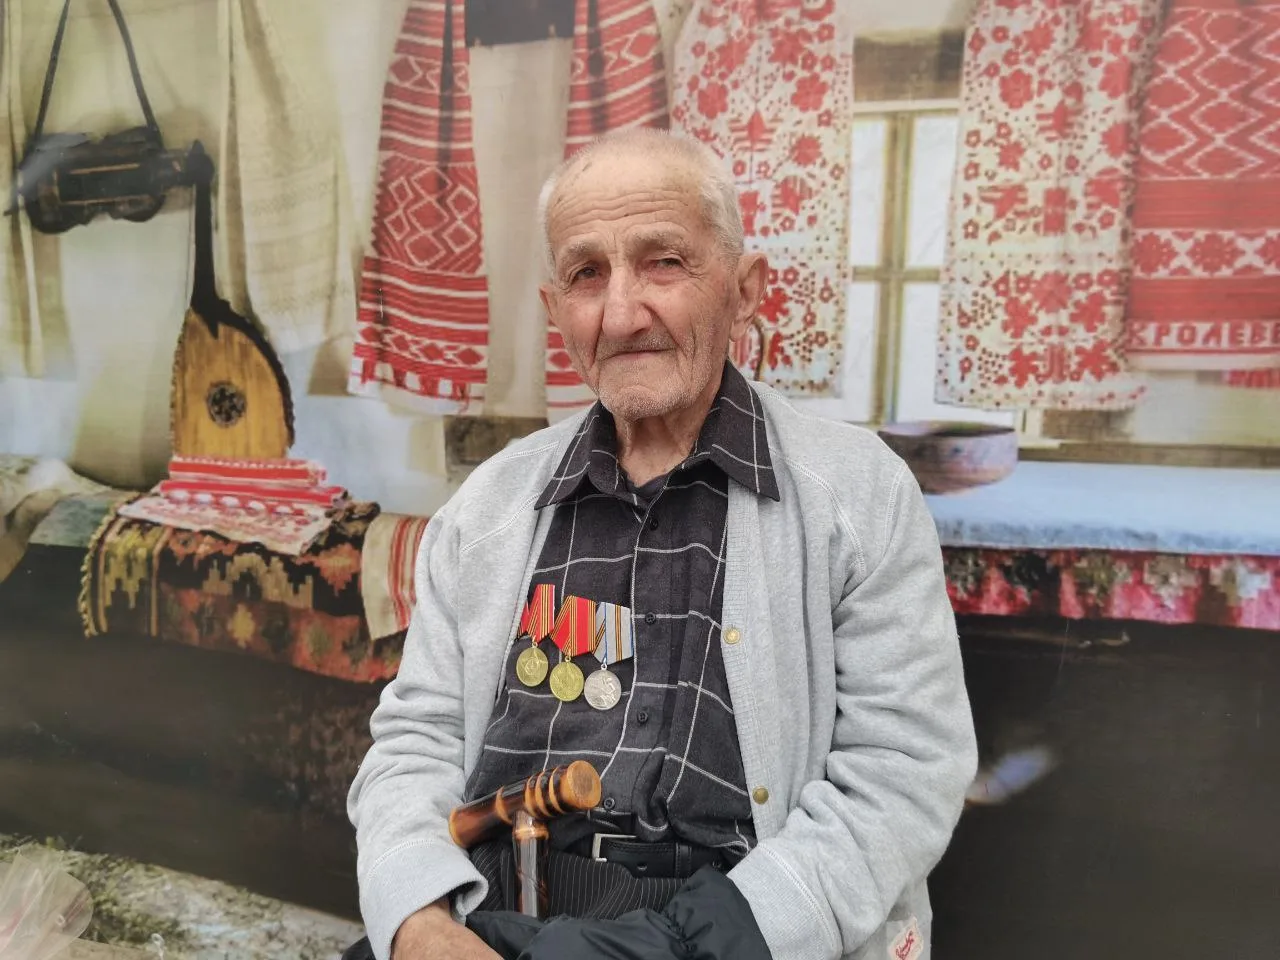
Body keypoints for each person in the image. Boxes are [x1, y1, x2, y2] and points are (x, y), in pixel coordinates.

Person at [345, 128, 977, 960]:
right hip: (496, 910)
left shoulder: (859, 495)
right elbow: (414, 741)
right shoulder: (490, 507)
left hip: (741, 926)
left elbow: (905, 769)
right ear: (554, 312)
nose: (620, 313)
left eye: (664, 263)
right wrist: (418, 919)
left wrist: (693, 940)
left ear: (745, 291)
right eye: (586, 274)